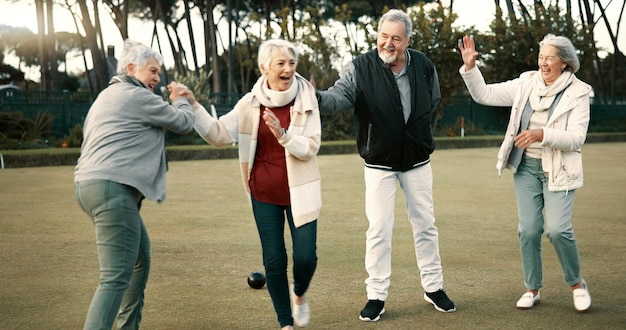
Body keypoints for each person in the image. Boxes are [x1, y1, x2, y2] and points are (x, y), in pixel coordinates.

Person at [314, 9, 456, 322]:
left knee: (426, 226)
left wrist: (411, 130)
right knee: (379, 229)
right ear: (377, 36)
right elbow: (339, 97)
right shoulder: (359, 68)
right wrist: (316, 97)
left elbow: (432, 100)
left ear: (408, 40)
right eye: (383, 36)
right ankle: (376, 295)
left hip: (417, 160)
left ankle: (434, 288)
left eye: (395, 38)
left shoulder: (423, 65)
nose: (388, 43)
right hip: (378, 162)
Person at [458, 34, 592, 312]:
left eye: (549, 58)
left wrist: (541, 134)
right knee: (529, 231)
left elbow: (576, 138)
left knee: (557, 230)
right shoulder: (526, 83)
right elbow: (485, 95)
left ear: (565, 63)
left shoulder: (578, 92)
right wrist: (471, 68)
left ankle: (577, 284)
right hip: (526, 168)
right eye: (541, 57)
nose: (543, 63)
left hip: (559, 170)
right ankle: (533, 288)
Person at [193, 39, 321, 330]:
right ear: (265, 67)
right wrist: (193, 106)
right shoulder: (250, 103)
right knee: (274, 259)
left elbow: (311, 146)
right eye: (281, 63)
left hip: (302, 191)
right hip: (263, 192)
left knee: (305, 257)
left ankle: (299, 293)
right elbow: (218, 134)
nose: (288, 68)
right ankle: (285, 323)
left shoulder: (306, 97)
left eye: (291, 63)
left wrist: (284, 135)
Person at [74, 39, 198, 329]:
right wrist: (181, 98)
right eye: (152, 71)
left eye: (159, 72)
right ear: (131, 68)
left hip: (90, 185)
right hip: (111, 188)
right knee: (115, 276)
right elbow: (183, 123)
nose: (157, 78)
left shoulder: (108, 95)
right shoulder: (136, 95)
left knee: (139, 262)